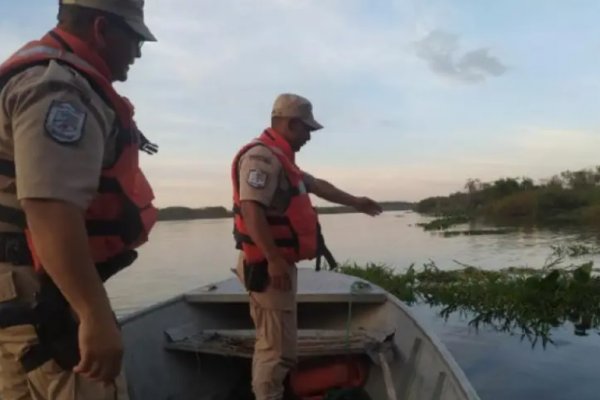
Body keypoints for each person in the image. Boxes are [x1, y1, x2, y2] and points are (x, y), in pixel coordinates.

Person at [0, 1, 158, 399]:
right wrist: (92, 312)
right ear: (102, 29)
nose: (138, 53)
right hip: (41, 299)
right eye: (135, 39)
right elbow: (49, 204)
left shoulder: (33, 77)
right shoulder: (59, 88)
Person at [231, 93, 383, 399]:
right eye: (307, 130)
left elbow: (317, 185)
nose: (309, 137)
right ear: (290, 124)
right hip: (265, 265)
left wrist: (356, 202)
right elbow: (251, 209)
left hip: (275, 263)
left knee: (280, 346)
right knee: (274, 351)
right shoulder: (261, 157)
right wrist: (273, 260)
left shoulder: (281, 158)